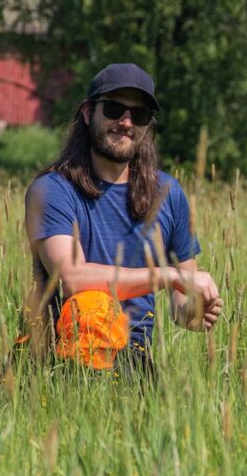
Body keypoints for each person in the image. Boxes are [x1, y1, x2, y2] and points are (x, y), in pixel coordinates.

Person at [23, 62, 222, 375]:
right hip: (59, 359)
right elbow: (70, 278)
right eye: (114, 109)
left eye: (139, 114)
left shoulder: (168, 194)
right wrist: (168, 275)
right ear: (89, 113)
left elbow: (183, 312)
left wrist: (197, 310)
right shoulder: (52, 190)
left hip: (133, 361)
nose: (126, 122)